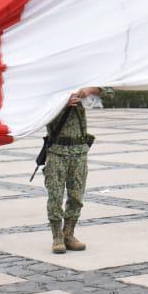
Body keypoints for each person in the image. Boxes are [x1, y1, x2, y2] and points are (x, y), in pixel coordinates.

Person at [43, 86, 103, 254]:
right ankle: (57, 237)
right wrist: (62, 102)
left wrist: (91, 89)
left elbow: (110, 89)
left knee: (77, 195)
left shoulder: (82, 79)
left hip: (79, 150)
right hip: (57, 150)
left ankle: (69, 233)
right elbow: (39, 107)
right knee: (55, 195)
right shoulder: (51, 87)